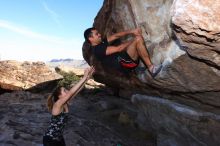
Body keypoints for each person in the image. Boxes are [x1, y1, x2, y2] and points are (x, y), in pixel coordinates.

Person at [43, 67, 95, 146]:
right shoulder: (57, 105)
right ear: (59, 96)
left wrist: (87, 78)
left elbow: (77, 91)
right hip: (50, 139)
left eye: (66, 89)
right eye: (64, 91)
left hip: (59, 138)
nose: (67, 91)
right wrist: (84, 77)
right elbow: (71, 92)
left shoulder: (65, 103)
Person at [84, 27, 162, 77]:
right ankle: (152, 69)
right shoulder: (97, 50)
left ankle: (137, 68)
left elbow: (115, 36)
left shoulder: (101, 42)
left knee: (135, 41)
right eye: (96, 34)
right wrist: (133, 41)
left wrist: (132, 31)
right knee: (138, 39)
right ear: (91, 38)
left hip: (126, 59)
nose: (99, 34)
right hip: (126, 65)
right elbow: (119, 48)